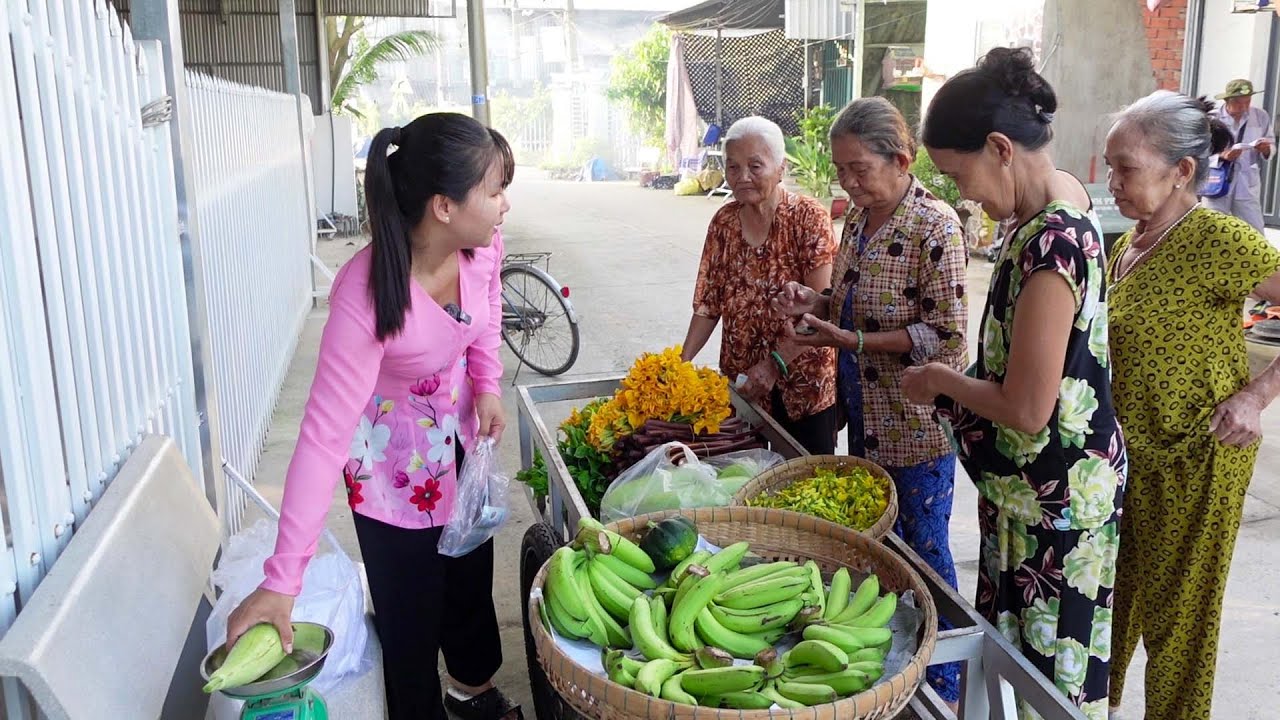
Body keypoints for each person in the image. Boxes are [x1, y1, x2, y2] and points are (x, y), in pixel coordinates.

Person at [224, 113, 521, 720]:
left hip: (462, 442)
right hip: (392, 472)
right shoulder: (365, 298)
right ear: (443, 205)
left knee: (468, 581)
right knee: (410, 617)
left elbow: (487, 310)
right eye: (493, 191)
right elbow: (321, 436)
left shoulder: (483, 246)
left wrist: (487, 385)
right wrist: (283, 579)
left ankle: (472, 692)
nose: (503, 205)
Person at [901, 48, 1125, 717]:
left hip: (1055, 519)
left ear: (999, 147)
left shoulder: (1052, 242)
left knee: (1048, 691)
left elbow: (1028, 407)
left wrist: (942, 380)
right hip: (1029, 502)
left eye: (957, 173)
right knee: (1016, 674)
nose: (959, 192)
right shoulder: (1054, 201)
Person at [772, 96, 968, 707]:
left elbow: (948, 338)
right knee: (885, 553)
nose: (849, 182)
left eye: (860, 169)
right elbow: (851, 304)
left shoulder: (935, 228)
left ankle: (945, 682)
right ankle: (896, 668)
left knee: (927, 552)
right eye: (841, 170)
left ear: (902, 159)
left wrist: (851, 340)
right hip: (866, 418)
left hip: (915, 426)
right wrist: (813, 303)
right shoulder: (858, 220)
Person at [1104, 90, 1280, 720]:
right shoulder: (1130, 242)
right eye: (1110, 166)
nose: (1112, 180)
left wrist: (1257, 395)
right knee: (1114, 602)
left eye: (1126, 166)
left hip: (1198, 457)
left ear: (1181, 171)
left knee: (1179, 618)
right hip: (1132, 458)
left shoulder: (1217, 238)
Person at [682, 116, 839, 453]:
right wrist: (679, 365)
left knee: (806, 482)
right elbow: (709, 304)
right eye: (733, 167)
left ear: (780, 168)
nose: (743, 177)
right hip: (744, 386)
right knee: (745, 484)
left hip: (803, 385)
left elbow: (820, 311)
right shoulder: (724, 222)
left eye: (755, 165)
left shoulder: (808, 218)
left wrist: (774, 364)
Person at [1204, 79, 1274, 232]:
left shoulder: (1260, 116)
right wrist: (1221, 156)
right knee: (1213, 227)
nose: (1244, 107)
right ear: (1227, 100)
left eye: (1247, 102)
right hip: (1217, 180)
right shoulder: (1212, 118)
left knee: (1254, 230)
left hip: (1246, 182)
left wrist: (1266, 149)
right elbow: (1199, 150)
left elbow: (1271, 143)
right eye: (1239, 103)